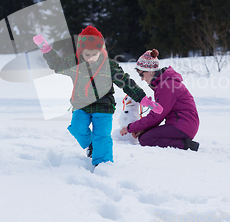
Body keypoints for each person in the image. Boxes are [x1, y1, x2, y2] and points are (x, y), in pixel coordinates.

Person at [33, 26, 162, 166]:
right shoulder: (74, 63)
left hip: (104, 107)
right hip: (81, 105)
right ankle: (91, 145)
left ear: (101, 50)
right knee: (77, 128)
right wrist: (46, 49)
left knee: (102, 136)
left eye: (94, 54)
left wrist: (143, 99)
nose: (90, 58)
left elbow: (126, 82)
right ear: (80, 51)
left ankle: (103, 165)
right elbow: (57, 65)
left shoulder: (110, 66)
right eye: (86, 55)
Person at [120, 49, 200, 151]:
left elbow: (157, 116)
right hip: (181, 125)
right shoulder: (164, 84)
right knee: (145, 135)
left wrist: (129, 128)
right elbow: (159, 115)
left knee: (146, 139)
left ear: (150, 71)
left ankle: (186, 145)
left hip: (183, 126)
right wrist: (143, 128)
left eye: (141, 74)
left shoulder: (167, 86)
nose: (142, 79)